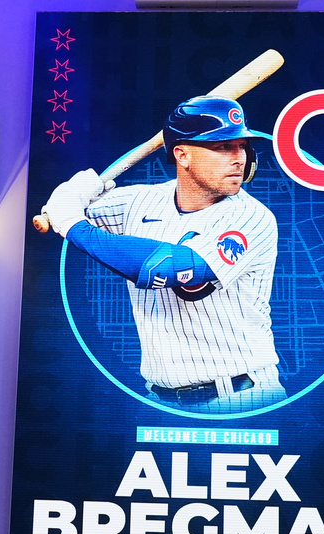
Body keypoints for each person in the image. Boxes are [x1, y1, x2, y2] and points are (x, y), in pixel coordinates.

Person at [44, 95, 286, 413]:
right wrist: (75, 192)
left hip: (243, 397)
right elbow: (65, 209)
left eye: (241, 146)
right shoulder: (139, 202)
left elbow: (167, 267)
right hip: (160, 401)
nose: (239, 157)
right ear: (182, 155)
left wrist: (74, 226)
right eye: (222, 146)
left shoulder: (251, 217)